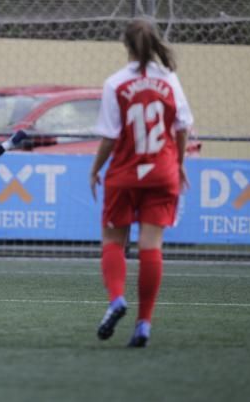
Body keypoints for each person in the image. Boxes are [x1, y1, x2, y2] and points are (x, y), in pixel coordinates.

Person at [88, 20, 194, 348]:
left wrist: (95, 169)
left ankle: (117, 298)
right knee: (152, 246)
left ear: (127, 47)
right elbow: (182, 127)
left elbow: (110, 136)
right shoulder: (170, 80)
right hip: (162, 171)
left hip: (125, 172)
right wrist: (178, 164)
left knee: (113, 240)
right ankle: (144, 324)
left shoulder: (115, 84)